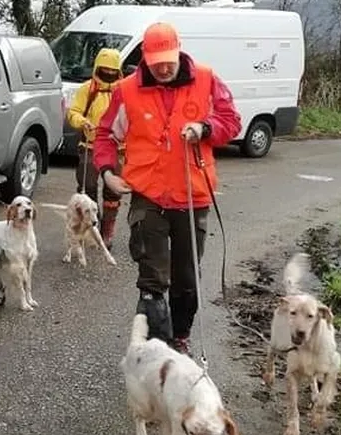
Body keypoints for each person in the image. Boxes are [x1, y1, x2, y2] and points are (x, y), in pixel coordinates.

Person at [93, 22, 242, 355]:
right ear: (144, 56)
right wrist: (106, 173)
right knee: (152, 279)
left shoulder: (206, 79)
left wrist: (205, 128)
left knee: (186, 280)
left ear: (179, 51)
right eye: (155, 60)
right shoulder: (126, 89)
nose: (162, 67)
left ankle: (181, 338)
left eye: (168, 60)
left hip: (193, 195)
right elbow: (105, 135)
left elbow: (231, 121)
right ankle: (158, 349)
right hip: (148, 195)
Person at [65, 48, 124, 249]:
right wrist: (83, 122)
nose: (108, 73)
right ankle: (91, 226)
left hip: (117, 148)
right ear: (98, 68)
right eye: (104, 69)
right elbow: (73, 112)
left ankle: (107, 230)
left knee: (113, 192)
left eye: (112, 69)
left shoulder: (123, 90)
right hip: (90, 146)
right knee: (87, 189)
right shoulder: (87, 89)